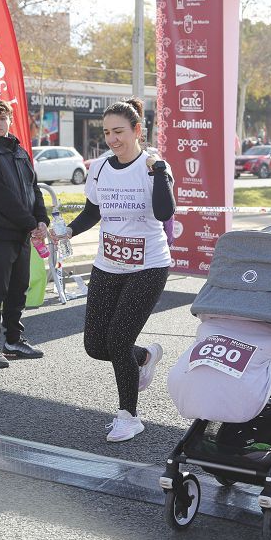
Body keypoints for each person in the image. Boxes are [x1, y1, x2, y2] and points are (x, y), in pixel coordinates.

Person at [52, 99, 175, 442]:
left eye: (119, 132)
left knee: (118, 339)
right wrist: (68, 231)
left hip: (148, 266)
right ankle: (145, 356)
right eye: (107, 132)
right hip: (108, 265)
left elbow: (165, 213)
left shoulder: (153, 166)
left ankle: (128, 416)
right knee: (96, 345)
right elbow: (93, 212)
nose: (112, 139)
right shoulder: (101, 167)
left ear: (137, 131)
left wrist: (160, 172)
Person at [0, 98, 48, 368]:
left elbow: (34, 187)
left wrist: (41, 219)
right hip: (0, 232)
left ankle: (14, 340)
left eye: (2, 119)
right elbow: (1, 197)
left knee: (19, 289)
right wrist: (30, 223)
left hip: (23, 232)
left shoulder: (19, 150)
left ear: (10, 120)